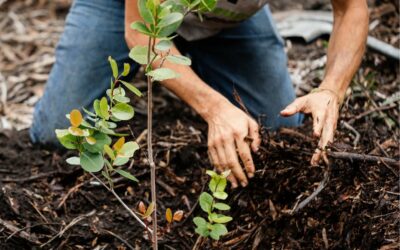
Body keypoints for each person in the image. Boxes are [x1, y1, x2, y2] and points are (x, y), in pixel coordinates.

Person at [30, 0, 369, 188]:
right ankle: (184, 71)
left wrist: (330, 89)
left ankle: (196, 58)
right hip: (127, 10)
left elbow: (351, 8)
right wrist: (214, 108)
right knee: (59, 135)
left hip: (227, 19)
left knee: (280, 130)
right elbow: (143, 36)